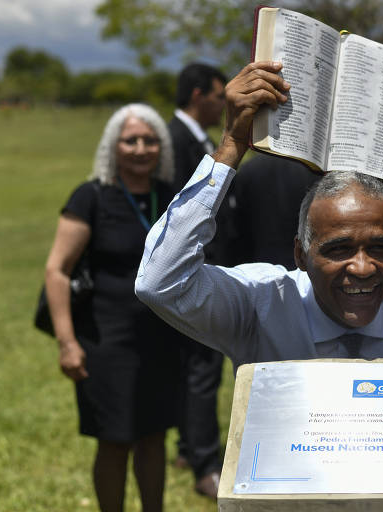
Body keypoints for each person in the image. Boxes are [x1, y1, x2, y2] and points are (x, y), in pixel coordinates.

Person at [135, 61, 383, 426]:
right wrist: (230, 147)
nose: (363, 268)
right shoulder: (262, 304)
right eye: (338, 249)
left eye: (381, 249)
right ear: (300, 254)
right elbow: (161, 281)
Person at [44, 103, 182, 512]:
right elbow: (57, 270)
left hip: (160, 339)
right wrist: (67, 342)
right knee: (116, 438)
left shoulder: (171, 195)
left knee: (155, 435)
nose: (141, 148)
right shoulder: (91, 196)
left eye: (150, 140)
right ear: (112, 146)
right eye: (130, 140)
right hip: (106, 341)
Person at [168, 62, 228, 498]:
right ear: (195, 95)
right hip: (191, 271)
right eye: (217, 95)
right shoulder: (176, 140)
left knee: (193, 367)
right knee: (203, 369)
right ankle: (205, 464)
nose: (222, 103)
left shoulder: (193, 137)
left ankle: (189, 445)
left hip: (200, 267)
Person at [228, 153, 319, 268]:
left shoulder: (249, 168)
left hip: (259, 266)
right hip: (305, 264)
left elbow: (238, 225)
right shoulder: (314, 168)